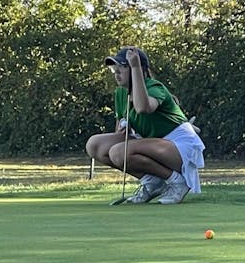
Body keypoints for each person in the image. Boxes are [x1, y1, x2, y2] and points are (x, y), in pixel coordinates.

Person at [85, 46, 205, 204]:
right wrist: (124, 129)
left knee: (119, 152)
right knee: (95, 145)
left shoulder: (155, 87)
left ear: (138, 70)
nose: (117, 72)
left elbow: (143, 107)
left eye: (122, 67)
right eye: (115, 68)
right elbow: (119, 134)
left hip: (180, 146)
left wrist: (135, 67)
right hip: (153, 145)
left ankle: (177, 182)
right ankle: (153, 182)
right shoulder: (120, 93)